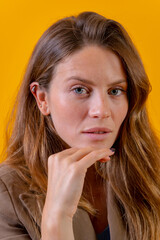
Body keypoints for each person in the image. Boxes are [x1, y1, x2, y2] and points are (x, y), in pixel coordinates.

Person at [0, 11, 160, 240]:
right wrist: (57, 217)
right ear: (42, 99)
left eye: (115, 91)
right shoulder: (5, 193)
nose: (102, 110)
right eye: (79, 90)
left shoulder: (154, 175)